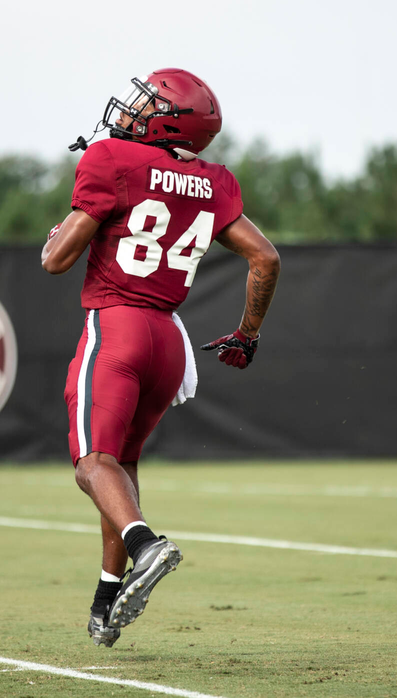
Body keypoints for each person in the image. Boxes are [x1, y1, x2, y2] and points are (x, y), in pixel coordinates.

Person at [41, 68, 280, 647]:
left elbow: (56, 261)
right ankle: (105, 593)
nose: (130, 112)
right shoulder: (214, 181)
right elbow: (266, 259)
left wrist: (59, 231)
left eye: (147, 105)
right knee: (118, 470)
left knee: (91, 465)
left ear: (168, 120)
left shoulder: (111, 159)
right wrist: (246, 335)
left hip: (117, 327)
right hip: (169, 342)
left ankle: (145, 546)